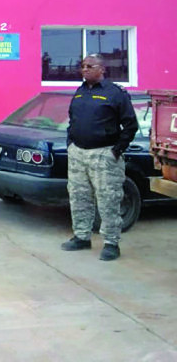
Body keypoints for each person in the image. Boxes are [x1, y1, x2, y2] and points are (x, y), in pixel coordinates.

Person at [61, 54, 138, 261]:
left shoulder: (115, 93)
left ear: (102, 69)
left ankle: (111, 243)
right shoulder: (80, 92)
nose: (84, 69)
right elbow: (72, 120)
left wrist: (116, 150)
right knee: (79, 197)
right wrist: (71, 143)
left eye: (89, 66)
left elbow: (131, 125)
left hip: (103, 155)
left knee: (108, 200)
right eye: (82, 66)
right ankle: (81, 237)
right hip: (78, 154)